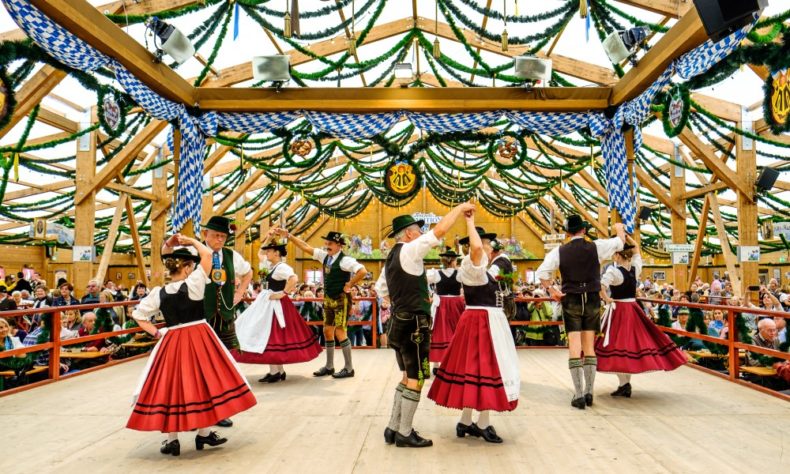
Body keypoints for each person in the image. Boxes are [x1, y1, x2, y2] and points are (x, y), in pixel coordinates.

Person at [127, 235, 256, 456]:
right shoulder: (195, 283)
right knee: (204, 383)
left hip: (172, 340)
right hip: (199, 338)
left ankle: (173, 440)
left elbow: (138, 315)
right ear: (187, 268)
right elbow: (207, 255)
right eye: (191, 265)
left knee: (172, 387)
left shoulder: (159, 293)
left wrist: (158, 332)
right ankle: (204, 434)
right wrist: (190, 241)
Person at [376, 202, 474, 448]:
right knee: (417, 377)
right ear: (408, 233)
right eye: (417, 230)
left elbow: (381, 289)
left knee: (406, 376)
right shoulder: (409, 250)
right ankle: (405, 432)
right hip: (414, 326)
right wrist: (460, 208)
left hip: (398, 323)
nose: (420, 233)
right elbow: (439, 231)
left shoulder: (391, 258)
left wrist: (399, 300)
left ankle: (393, 427)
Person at [427, 215, 520, 444]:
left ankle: (466, 421)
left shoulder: (477, 267)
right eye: (486, 244)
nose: (489, 248)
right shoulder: (472, 265)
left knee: (475, 370)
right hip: (482, 321)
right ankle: (483, 423)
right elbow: (477, 248)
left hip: (481, 319)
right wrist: (469, 221)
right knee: (486, 370)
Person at [161, 216, 253, 428]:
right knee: (199, 365)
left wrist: (239, 292)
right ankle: (197, 408)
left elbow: (248, 273)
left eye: (223, 236)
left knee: (226, 362)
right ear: (205, 235)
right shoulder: (193, 252)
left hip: (226, 315)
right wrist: (169, 243)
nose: (220, 239)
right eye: (215, 235)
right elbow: (166, 256)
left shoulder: (231, 255)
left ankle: (220, 409)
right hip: (199, 317)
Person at [535, 215, 626, 409]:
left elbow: (542, 273)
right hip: (592, 298)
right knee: (590, 347)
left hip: (572, 299)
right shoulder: (596, 246)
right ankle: (589, 392)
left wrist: (553, 292)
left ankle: (578, 395)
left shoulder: (559, 251)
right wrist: (619, 228)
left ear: (567, 232)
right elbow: (620, 242)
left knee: (575, 347)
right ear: (583, 230)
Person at [594, 238, 686, 398]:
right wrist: (627, 237)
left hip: (619, 310)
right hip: (633, 309)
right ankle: (624, 385)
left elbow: (601, 286)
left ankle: (624, 384)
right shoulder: (635, 268)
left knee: (618, 345)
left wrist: (606, 299)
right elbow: (636, 248)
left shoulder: (613, 271)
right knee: (631, 344)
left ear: (617, 255)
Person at [278, 228, 367, 379]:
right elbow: (305, 246)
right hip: (329, 299)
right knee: (327, 330)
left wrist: (349, 284)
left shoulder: (346, 260)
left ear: (340, 245)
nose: (327, 245)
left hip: (341, 299)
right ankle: (329, 366)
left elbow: (362, 271)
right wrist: (289, 236)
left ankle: (349, 368)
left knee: (340, 331)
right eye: (326, 243)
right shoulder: (325, 256)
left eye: (330, 243)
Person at [233, 238, 321, 383]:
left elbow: (294, 278)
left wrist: (283, 293)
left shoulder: (281, 267)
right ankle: (278, 371)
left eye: (270, 251)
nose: (266, 253)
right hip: (269, 303)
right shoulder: (273, 266)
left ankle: (276, 371)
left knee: (271, 335)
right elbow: (260, 253)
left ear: (277, 253)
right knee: (269, 335)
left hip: (275, 304)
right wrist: (268, 237)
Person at [426, 247, 465, 371]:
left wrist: (431, 294)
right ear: (453, 261)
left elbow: (424, 281)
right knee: (456, 331)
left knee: (440, 331)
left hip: (441, 303)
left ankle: (437, 364)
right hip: (456, 303)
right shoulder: (459, 273)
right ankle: (455, 362)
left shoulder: (436, 273)